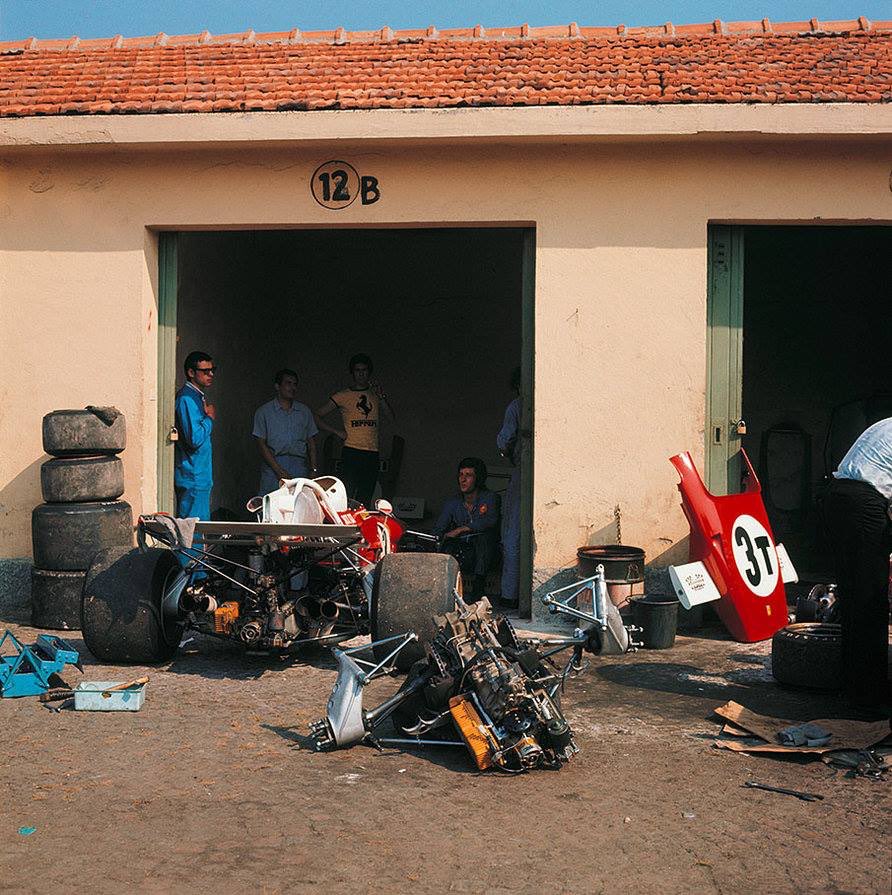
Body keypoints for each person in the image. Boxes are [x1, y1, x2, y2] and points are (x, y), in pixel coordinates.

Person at [825, 416, 892, 713]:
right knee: (870, 600)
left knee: (853, 596)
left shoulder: (885, 424)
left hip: (838, 497)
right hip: (863, 502)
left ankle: (852, 685)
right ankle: (869, 697)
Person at [315, 353, 394, 507]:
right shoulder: (343, 395)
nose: (361, 374)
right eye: (357, 370)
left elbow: (391, 418)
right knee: (348, 495)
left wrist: (382, 397)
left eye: (364, 370)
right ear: (352, 373)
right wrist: (336, 432)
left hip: (372, 452)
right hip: (352, 450)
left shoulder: (375, 395)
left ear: (369, 372)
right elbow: (317, 416)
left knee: (366, 496)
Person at [434, 457, 501, 601]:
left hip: (488, 554)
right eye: (461, 475)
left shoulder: (490, 497)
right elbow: (439, 529)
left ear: (478, 479)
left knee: (484, 538)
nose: (463, 480)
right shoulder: (453, 502)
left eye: (468, 475)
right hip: (464, 552)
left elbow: (490, 522)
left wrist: (462, 529)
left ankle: (478, 589)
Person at [252, 368, 319, 496]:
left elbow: (311, 443)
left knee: (298, 506)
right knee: (270, 505)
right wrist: (278, 470)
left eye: (295, 384)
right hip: (273, 466)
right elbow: (261, 444)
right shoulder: (264, 412)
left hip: (299, 466)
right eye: (288, 383)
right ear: (277, 386)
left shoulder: (304, 412)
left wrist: (313, 469)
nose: (292, 388)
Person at [174, 350, 216, 521]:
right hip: (193, 475)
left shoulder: (196, 396)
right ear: (191, 373)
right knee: (192, 531)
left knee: (198, 529)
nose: (211, 374)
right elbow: (195, 438)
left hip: (199, 474)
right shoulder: (187, 399)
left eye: (213, 370)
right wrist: (210, 419)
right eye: (205, 371)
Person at [496, 367, 522, 609]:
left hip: (522, 471)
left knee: (512, 534)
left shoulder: (516, 406)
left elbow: (504, 441)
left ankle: (509, 595)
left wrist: (508, 453)